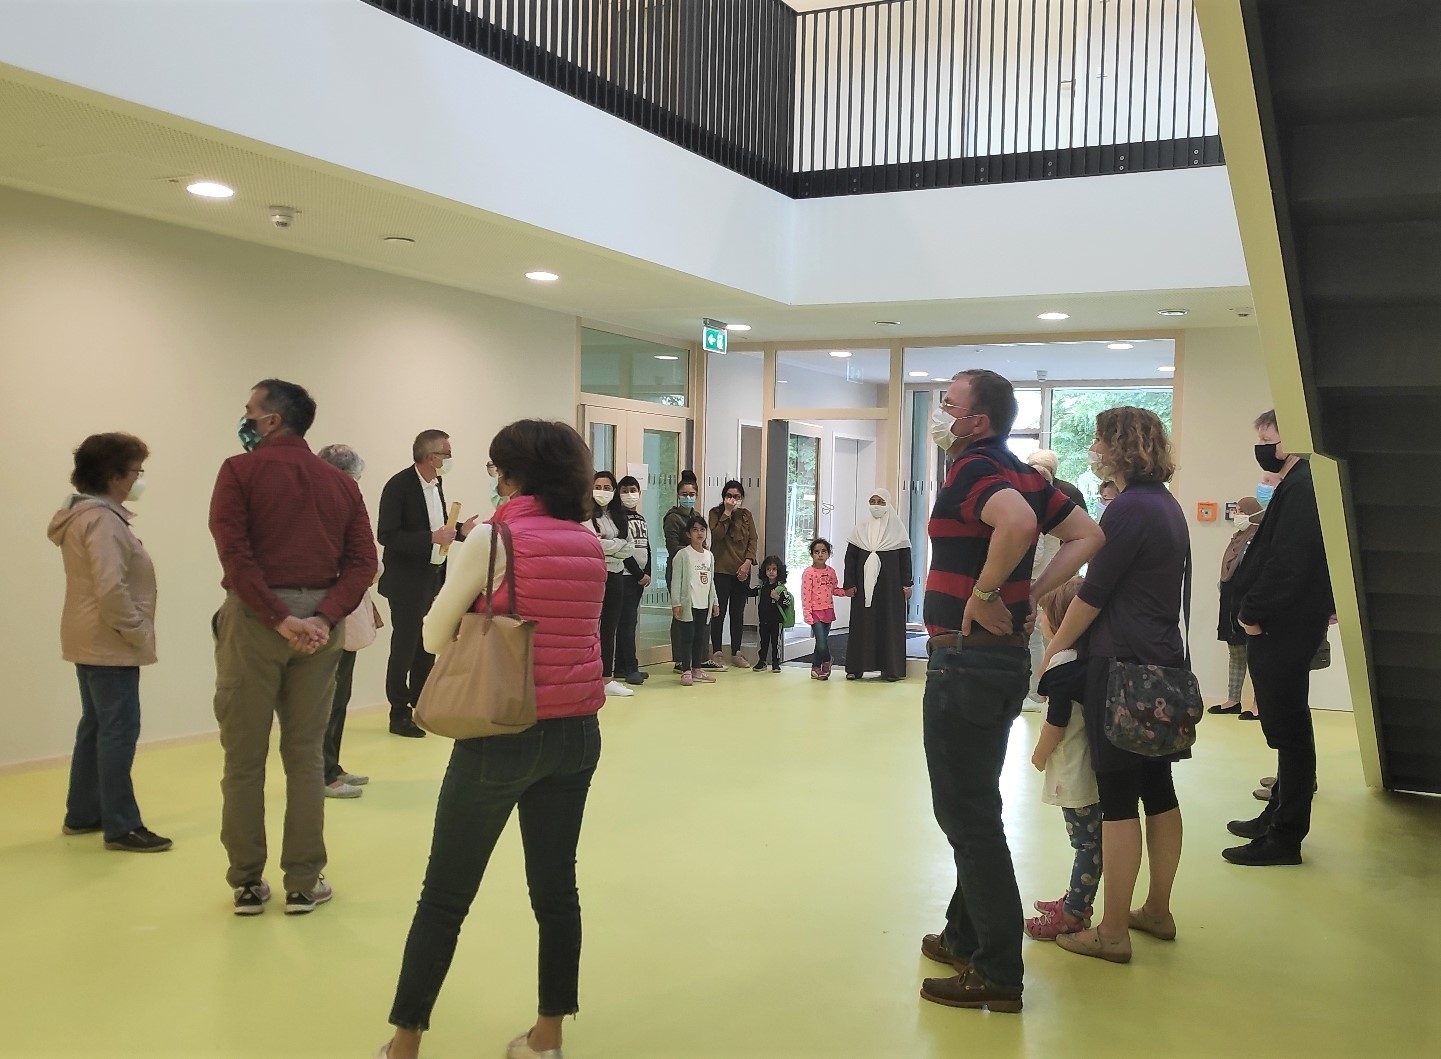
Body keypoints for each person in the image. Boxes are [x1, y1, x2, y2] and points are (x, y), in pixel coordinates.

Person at [379, 419, 606, 1059]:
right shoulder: (588, 541)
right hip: (576, 733)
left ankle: (404, 1043)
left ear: (513, 474)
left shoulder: (492, 537)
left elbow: (431, 636)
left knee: (444, 896)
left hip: (501, 734)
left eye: (495, 468)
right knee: (556, 891)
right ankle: (547, 1036)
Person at [919, 368, 1103, 1012]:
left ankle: (996, 971)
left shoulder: (974, 469)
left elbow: (1019, 525)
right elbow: (1088, 534)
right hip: (995, 665)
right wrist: (1029, 593)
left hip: (964, 661)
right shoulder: (1024, 472)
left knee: (966, 815)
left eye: (950, 405)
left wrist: (987, 592)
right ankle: (964, 935)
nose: (941, 414)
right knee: (976, 802)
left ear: (978, 421)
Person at [209, 380, 378, 915]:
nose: (245, 418)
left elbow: (235, 554)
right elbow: (363, 563)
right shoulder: (341, 485)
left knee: (243, 758)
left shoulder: (238, 472)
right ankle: (304, 881)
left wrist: (279, 618)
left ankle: (247, 882)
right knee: (305, 756)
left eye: (250, 411)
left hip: (255, 622)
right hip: (321, 628)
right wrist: (323, 617)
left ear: (272, 420)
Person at [1039, 406, 1189, 964]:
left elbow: (1092, 594)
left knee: (1119, 801)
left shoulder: (1126, 509)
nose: (1095, 449)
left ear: (1121, 446)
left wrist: (1052, 650)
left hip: (1121, 668)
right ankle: (1157, 909)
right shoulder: (1166, 505)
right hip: (1162, 663)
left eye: (1102, 439)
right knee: (1159, 791)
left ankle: (1112, 932)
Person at [49, 432, 171, 853]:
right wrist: (136, 631)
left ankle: (83, 813)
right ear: (113, 475)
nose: (139, 479)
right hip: (109, 641)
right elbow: (111, 587)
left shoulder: (83, 515)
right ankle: (122, 826)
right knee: (118, 729)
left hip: (89, 636)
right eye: (136, 471)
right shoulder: (102, 521)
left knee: (96, 727)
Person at [1222, 409, 1334, 867]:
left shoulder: (1303, 485)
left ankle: (1285, 837)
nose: (1264, 446)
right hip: (1282, 623)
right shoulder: (1298, 482)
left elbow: (1289, 560)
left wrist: (1252, 613)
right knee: (1289, 727)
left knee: (1290, 732)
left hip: (1281, 624)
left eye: (1268, 437)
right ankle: (1276, 818)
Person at [378, 430, 477, 738]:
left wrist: (460, 530)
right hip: (406, 581)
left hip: (433, 576)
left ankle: (423, 704)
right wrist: (431, 538)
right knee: (405, 646)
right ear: (431, 457)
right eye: (447, 454)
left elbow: (437, 526)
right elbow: (387, 534)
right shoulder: (399, 486)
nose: (450, 459)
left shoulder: (437, 484)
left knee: (428, 643)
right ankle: (399, 713)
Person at [1025, 577, 1099, 941]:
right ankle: (1076, 900)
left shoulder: (1062, 669)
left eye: (1043, 613)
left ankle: (1072, 914)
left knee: (1086, 843)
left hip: (1074, 770)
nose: (1039, 619)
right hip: (1085, 765)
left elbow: (1057, 724)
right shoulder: (1083, 661)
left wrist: (1038, 756)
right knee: (1088, 840)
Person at [316, 444, 381, 799]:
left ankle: (332, 765)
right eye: (353, 477)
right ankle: (322, 774)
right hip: (329, 615)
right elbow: (362, 562)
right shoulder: (321, 511)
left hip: (343, 613)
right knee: (326, 699)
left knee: (339, 696)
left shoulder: (339, 509)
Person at [842, 488, 913, 682]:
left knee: (889, 625)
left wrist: (907, 584)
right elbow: (850, 558)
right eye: (872, 501)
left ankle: (891, 669)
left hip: (891, 589)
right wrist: (849, 583)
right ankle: (856, 668)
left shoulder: (897, 530)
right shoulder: (860, 529)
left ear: (888, 504)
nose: (876, 506)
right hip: (863, 588)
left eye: (880, 502)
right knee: (862, 625)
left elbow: (905, 559)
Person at [1209, 496, 1264, 718]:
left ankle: (1259, 705)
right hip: (1231, 603)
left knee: (1256, 655)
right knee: (1235, 651)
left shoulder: (1260, 539)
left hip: (1250, 604)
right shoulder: (1237, 538)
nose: (1237, 515)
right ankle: (1233, 700)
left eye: (1241, 511)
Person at [589, 471, 636, 697]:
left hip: (616, 575)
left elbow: (630, 547)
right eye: (598, 487)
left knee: (610, 627)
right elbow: (592, 544)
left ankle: (607, 678)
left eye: (607, 488)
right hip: (594, 576)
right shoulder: (586, 516)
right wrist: (616, 546)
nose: (603, 492)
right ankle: (589, 676)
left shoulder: (620, 516)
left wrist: (609, 545)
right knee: (591, 627)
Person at [663, 471, 711, 672]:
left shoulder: (697, 517)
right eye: (684, 494)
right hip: (679, 570)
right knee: (681, 613)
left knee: (699, 615)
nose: (688, 497)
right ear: (678, 495)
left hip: (699, 572)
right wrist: (693, 549)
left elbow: (704, 545)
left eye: (692, 494)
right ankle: (680, 659)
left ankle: (698, 659)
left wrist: (701, 550)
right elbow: (673, 547)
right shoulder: (672, 518)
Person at [708, 479, 758, 668]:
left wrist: (747, 563)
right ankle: (717, 651)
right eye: (729, 496)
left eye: (737, 496)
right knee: (718, 612)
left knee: (737, 612)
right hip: (721, 570)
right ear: (723, 497)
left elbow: (753, 540)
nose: (733, 499)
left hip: (742, 571)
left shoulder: (746, 515)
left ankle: (737, 651)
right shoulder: (715, 513)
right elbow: (717, 535)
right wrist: (727, 513)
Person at [670, 514, 721, 687]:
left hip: (704, 603)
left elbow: (711, 581)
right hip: (689, 603)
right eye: (695, 530)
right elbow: (676, 580)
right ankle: (686, 670)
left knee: (700, 637)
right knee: (687, 637)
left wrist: (715, 602)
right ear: (688, 534)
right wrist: (676, 603)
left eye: (702, 529)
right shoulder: (683, 555)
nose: (699, 533)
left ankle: (697, 669)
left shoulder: (709, 556)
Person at [614, 475, 653, 686]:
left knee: (629, 622)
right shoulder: (617, 518)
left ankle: (621, 666)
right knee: (627, 624)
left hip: (639, 578)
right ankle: (631, 668)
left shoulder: (640, 518)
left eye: (633, 490)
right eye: (625, 491)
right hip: (626, 576)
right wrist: (639, 574)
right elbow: (624, 550)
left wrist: (648, 572)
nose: (630, 494)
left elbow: (646, 546)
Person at [802, 538, 844, 680]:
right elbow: (805, 595)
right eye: (816, 552)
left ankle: (815, 668)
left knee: (822, 642)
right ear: (812, 554)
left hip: (828, 610)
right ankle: (827, 659)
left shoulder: (831, 572)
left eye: (823, 551)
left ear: (828, 554)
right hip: (815, 613)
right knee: (821, 642)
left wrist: (845, 592)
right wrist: (807, 614)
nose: (820, 555)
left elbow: (834, 589)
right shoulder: (808, 573)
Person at [751, 555, 788, 672]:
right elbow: (751, 592)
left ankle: (776, 663)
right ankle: (762, 661)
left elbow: (786, 603)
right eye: (768, 569)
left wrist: (777, 598)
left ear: (779, 571)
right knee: (763, 642)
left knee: (776, 642)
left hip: (777, 621)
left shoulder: (781, 588)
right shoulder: (763, 587)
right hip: (764, 620)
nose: (771, 572)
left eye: (774, 569)